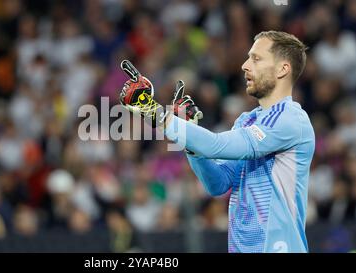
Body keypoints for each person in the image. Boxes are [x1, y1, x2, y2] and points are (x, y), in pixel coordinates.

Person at [119, 30, 315, 253]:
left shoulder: (291, 120)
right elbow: (218, 183)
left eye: (256, 58)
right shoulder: (247, 120)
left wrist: (155, 112)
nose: (245, 65)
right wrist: (190, 140)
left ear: (283, 69)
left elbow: (216, 145)